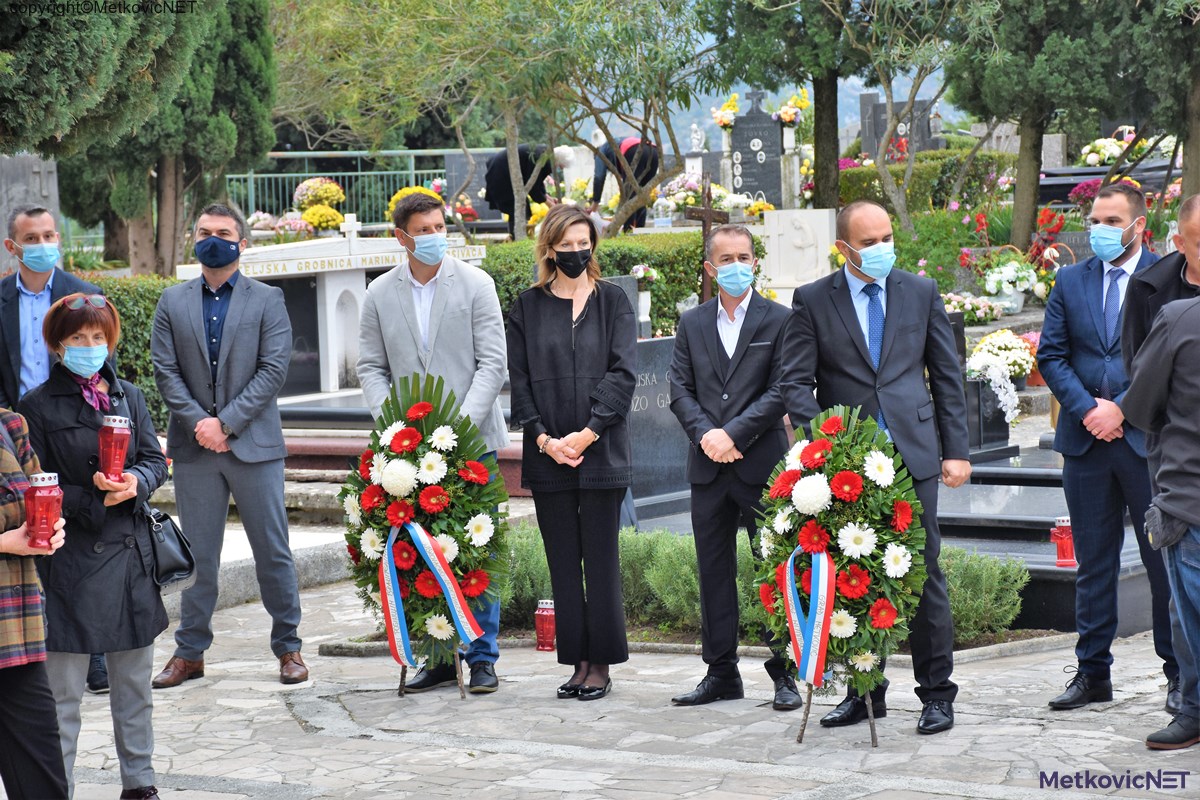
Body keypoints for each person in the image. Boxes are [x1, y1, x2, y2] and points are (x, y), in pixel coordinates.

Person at [779, 199, 970, 735]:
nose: (883, 248)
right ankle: (866, 694)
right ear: (843, 248)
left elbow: (946, 374)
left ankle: (937, 694)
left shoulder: (921, 291)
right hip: (849, 464)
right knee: (855, 577)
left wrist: (956, 450)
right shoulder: (814, 300)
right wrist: (827, 444)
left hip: (914, 456)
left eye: (887, 238)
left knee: (923, 573)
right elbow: (795, 382)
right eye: (869, 242)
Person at [150, 203, 309, 688]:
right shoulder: (172, 301)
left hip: (254, 445)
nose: (212, 240)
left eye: (222, 232)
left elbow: (273, 369)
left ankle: (289, 647)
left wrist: (227, 423)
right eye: (204, 232)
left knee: (272, 551)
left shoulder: (268, 299)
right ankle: (189, 652)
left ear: (242, 243)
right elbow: (165, 371)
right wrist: (202, 423)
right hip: (195, 447)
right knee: (198, 556)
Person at [18, 293, 169, 799]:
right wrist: (96, 499)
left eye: (98, 337)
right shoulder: (37, 406)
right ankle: (56, 789)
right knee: (62, 698)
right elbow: (35, 485)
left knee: (134, 688)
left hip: (130, 560)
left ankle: (140, 785)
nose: (89, 346)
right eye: (78, 338)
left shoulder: (129, 396)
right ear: (58, 345)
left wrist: (136, 483)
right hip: (68, 563)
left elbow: (154, 460)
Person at [357, 191, 508, 694]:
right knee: (420, 554)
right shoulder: (379, 293)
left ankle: (482, 656)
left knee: (476, 548)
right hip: (407, 451)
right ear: (401, 237)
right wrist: (395, 428)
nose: (435, 237)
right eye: (424, 230)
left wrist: (456, 430)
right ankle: (438, 656)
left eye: (440, 227)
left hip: (472, 441)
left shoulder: (477, 284)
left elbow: (493, 363)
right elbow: (371, 367)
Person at [1038, 181, 1176, 713]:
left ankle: (1178, 675)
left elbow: (1170, 358)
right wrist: (1088, 410)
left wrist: (1122, 409)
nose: (1100, 230)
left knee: (1162, 564)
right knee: (1093, 565)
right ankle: (1092, 673)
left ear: (1139, 225)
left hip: (1147, 444)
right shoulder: (1070, 280)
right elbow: (1052, 355)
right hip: (1085, 443)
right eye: (1095, 220)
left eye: (1112, 222)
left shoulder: (1168, 277)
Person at [668, 224, 801, 711]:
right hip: (707, 467)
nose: (737, 266)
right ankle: (721, 672)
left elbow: (784, 388)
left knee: (774, 569)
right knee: (713, 571)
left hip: (762, 467)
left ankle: (785, 673)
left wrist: (733, 434)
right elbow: (679, 388)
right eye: (726, 259)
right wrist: (708, 435)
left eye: (744, 257)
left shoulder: (781, 319)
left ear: (755, 263)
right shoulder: (692, 322)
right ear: (710, 268)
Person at [507, 204, 635, 700]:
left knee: (600, 562)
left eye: (584, 244)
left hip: (601, 451)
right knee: (562, 562)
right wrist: (544, 439)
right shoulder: (527, 307)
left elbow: (623, 373)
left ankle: (600, 664)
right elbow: (519, 381)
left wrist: (589, 432)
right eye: (567, 246)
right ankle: (577, 661)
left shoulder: (613, 301)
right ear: (549, 249)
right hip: (547, 453)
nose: (576, 252)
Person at [1, 203, 110, 695]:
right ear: (13, 247)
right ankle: (40, 646)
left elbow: (100, 359)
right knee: (32, 533)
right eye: (32, 238)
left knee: (76, 537)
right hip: (14, 436)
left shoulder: (80, 294)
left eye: (50, 235)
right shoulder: (2, 297)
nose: (43, 244)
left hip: (68, 426)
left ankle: (95, 657)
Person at [1120, 192, 1200, 747]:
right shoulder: (1174, 313)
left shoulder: (1179, 318)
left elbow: (1140, 407)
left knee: (1190, 618)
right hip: (1187, 497)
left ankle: (1194, 710)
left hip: (1188, 496)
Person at [0, 409, 69, 799]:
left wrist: (50, 529)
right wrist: (4, 542)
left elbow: (40, 501)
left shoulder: (10, 426)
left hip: (15, 632)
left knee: (43, 784)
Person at [484, 145, 571, 238]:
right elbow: (533, 188)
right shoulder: (542, 159)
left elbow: (537, 181)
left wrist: (548, 198)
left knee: (519, 208)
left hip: (502, 170)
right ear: (558, 160)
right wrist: (551, 206)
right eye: (561, 166)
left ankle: (516, 237)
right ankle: (517, 238)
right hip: (501, 173)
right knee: (518, 208)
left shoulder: (545, 154)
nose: (560, 169)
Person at [587, 137, 659, 230]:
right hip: (653, 151)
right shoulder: (613, 146)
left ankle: (628, 233)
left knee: (629, 196)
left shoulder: (600, 152)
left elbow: (599, 176)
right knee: (641, 195)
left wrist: (595, 203)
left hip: (633, 151)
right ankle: (640, 231)